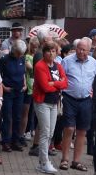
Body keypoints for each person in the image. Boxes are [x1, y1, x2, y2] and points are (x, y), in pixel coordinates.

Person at [58, 38, 96, 172]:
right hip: (69, 99)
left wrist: (93, 93)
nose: (81, 52)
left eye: (84, 50)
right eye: (79, 49)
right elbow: (60, 78)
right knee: (69, 128)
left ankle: (76, 161)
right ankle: (64, 159)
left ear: (89, 50)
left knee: (82, 131)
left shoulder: (93, 63)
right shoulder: (67, 61)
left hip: (86, 100)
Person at [32, 42, 68, 173]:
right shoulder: (40, 66)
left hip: (54, 102)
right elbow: (45, 87)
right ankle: (43, 162)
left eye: (54, 51)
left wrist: (54, 83)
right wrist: (57, 84)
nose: (51, 53)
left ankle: (44, 160)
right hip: (42, 102)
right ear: (44, 52)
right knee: (45, 132)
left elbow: (66, 83)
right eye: (48, 51)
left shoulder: (58, 65)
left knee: (51, 133)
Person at [0, 39, 27, 151]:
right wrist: (4, 88)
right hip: (8, 92)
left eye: (21, 54)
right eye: (18, 53)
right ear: (13, 50)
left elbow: (23, 72)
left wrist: (24, 84)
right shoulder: (4, 60)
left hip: (19, 92)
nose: (20, 55)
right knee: (7, 117)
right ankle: (6, 141)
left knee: (17, 117)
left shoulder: (22, 59)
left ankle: (16, 140)